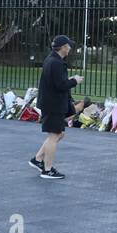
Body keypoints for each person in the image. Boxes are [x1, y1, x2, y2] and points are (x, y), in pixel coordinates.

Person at [30, 35, 82, 180]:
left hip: (51, 102)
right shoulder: (56, 63)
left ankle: (38, 159)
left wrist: (69, 80)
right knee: (54, 136)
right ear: (64, 47)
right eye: (69, 46)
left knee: (59, 134)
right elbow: (60, 85)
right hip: (53, 104)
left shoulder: (51, 60)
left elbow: (56, 82)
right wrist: (74, 80)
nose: (70, 48)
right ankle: (47, 170)